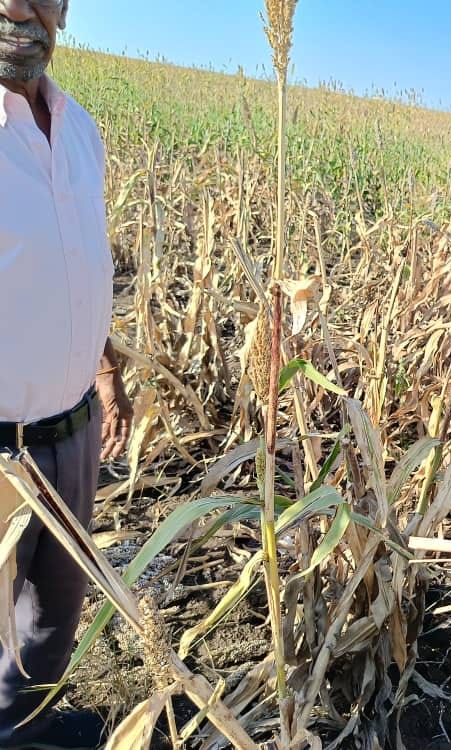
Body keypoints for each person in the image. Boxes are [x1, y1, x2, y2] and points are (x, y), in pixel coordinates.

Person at [0, 0, 132, 746]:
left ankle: (27, 726)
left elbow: (79, 260)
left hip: (74, 430)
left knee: (52, 615)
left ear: (64, 12)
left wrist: (107, 370)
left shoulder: (80, 130)